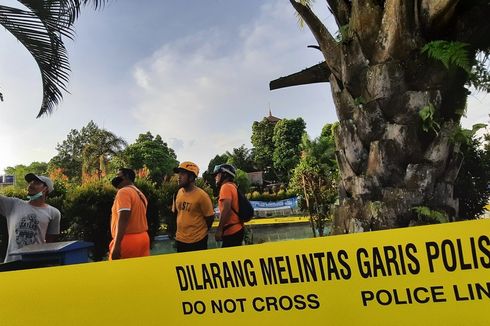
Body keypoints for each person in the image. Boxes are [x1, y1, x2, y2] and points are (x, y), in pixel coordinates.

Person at [0, 173, 61, 263]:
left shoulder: (54, 213)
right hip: (11, 263)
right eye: (31, 182)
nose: (31, 184)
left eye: (36, 182)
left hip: (36, 263)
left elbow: (50, 243)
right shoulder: (13, 204)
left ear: (46, 189)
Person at [173, 161, 215, 252]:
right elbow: (177, 214)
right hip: (181, 240)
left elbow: (210, 218)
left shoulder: (202, 196)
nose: (179, 177)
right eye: (179, 174)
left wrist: (200, 233)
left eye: (183, 174)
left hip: (197, 241)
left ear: (191, 177)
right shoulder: (178, 192)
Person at [109, 168, 150, 260]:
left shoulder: (124, 192)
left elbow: (123, 217)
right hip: (143, 238)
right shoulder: (140, 194)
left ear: (127, 177)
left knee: (120, 273)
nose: (116, 178)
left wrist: (117, 244)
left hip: (127, 240)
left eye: (118, 175)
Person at [212, 164, 244, 247]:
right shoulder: (233, 186)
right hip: (238, 228)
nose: (215, 177)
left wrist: (219, 229)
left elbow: (226, 209)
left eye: (217, 174)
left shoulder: (225, 187)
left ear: (224, 175)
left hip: (231, 231)